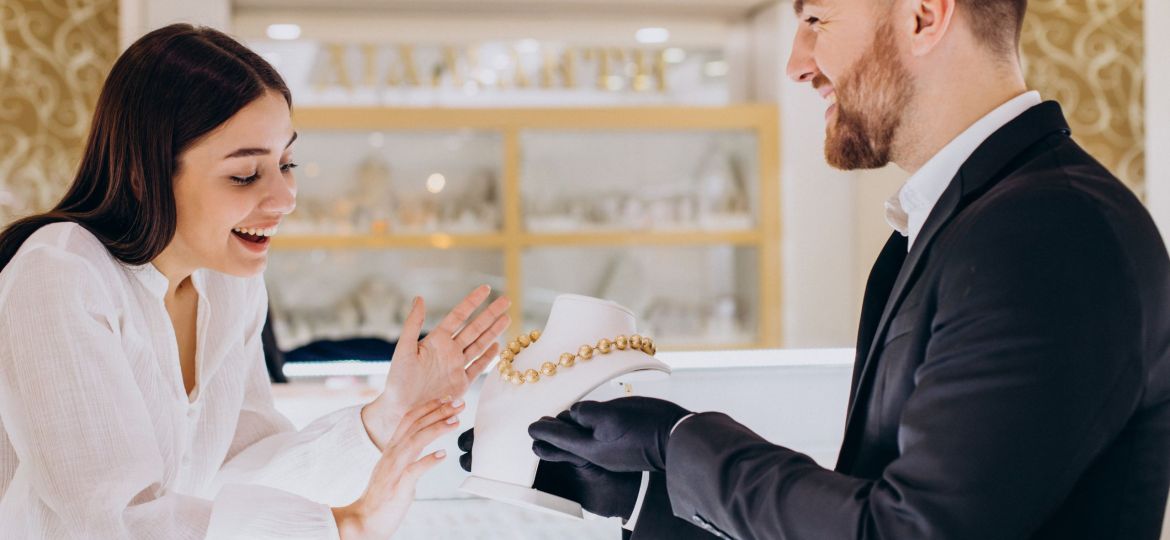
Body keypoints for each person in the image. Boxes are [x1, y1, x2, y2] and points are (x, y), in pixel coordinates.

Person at [464, 0, 1170, 538]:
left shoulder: (1048, 232)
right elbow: (871, 510)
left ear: (924, 15)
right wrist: (641, 493)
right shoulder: (947, 233)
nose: (797, 62)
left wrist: (678, 443)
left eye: (816, 18)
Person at [0, 24, 511, 539]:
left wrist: (384, 417)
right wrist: (344, 526)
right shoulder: (61, 273)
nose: (285, 197)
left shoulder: (229, 288)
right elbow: (117, 519)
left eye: (286, 163)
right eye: (245, 174)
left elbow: (247, 468)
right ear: (145, 173)